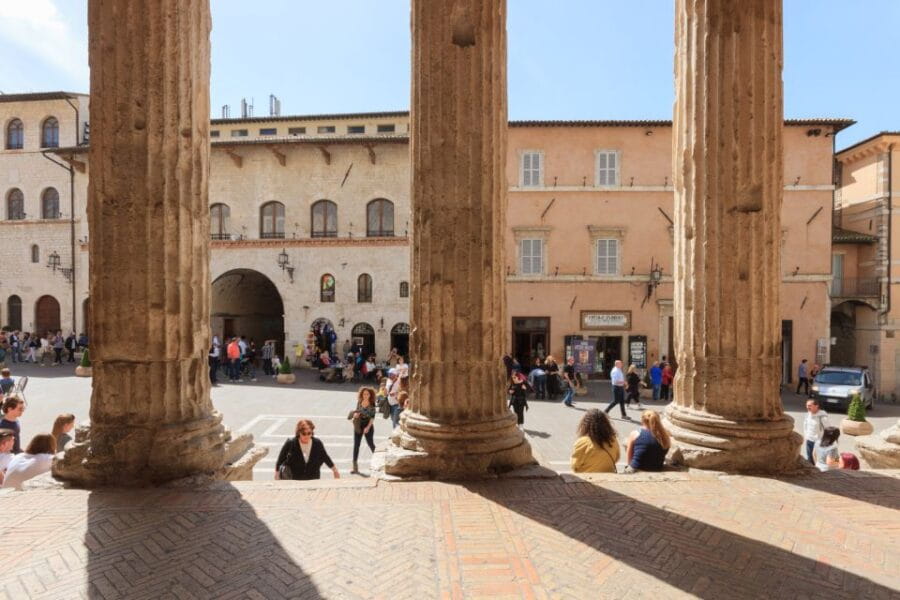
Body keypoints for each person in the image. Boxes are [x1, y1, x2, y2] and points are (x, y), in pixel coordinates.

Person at [275, 419, 339, 480]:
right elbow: (281, 459)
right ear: (299, 432)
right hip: (295, 479)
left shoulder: (317, 443)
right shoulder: (291, 443)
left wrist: (335, 470)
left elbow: (325, 457)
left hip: (313, 478)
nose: (306, 436)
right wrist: (277, 473)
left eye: (309, 433)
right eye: (304, 433)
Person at [348, 387, 377, 474]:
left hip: (368, 426)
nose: (366, 395)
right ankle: (355, 468)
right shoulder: (359, 401)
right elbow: (357, 411)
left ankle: (379, 460)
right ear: (362, 394)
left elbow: (372, 418)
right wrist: (355, 415)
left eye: (367, 394)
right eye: (364, 394)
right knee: (356, 445)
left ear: (370, 395)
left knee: (370, 444)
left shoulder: (372, 404)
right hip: (358, 425)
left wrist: (367, 427)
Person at [803, 399, 828, 464]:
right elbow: (805, 426)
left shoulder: (822, 417)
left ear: (816, 406)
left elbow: (828, 429)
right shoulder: (807, 415)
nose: (807, 407)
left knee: (818, 459)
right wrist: (806, 436)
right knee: (809, 458)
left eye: (810, 405)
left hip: (819, 441)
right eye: (807, 405)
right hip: (809, 440)